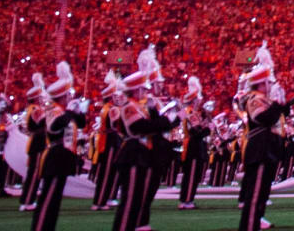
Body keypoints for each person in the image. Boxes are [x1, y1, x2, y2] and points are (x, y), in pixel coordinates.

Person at [111, 47, 177, 231]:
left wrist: (163, 120)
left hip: (142, 154)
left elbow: (155, 124)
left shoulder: (141, 105)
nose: (145, 92)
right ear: (137, 89)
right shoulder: (128, 106)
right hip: (132, 153)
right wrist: (164, 121)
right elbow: (139, 127)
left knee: (137, 199)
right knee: (130, 200)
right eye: (143, 89)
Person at [239, 42, 294, 231]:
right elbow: (263, 118)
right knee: (256, 193)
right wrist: (277, 106)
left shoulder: (264, 99)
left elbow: (276, 115)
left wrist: (283, 105)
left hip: (269, 148)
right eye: (267, 82)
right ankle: (249, 226)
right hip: (260, 148)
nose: (270, 84)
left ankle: (256, 221)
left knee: (263, 192)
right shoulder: (253, 99)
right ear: (260, 83)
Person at [31, 61, 87, 231]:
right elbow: (54, 127)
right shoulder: (51, 108)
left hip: (63, 157)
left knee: (54, 202)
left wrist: (79, 112)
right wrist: (70, 112)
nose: (69, 97)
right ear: (61, 95)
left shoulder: (63, 110)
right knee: (48, 200)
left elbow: (81, 124)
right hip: (54, 156)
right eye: (67, 94)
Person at [90, 72, 125, 211]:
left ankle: (106, 198)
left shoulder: (108, 108)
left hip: (110, 140)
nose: (118, 98)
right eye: (115, 96)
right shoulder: (112, 109)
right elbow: (118, 124)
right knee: (107, 173)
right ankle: (100, 201)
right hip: (111, 141)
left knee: (110, 172)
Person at [178, 77, 211, 209]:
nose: (200, 101)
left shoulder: (193, 113)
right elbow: (197, 133)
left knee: (193, 175)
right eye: (198, 99)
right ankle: (186, 200)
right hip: (193, 146)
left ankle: (187, 199)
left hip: (194, 145)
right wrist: (208, 128)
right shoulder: (190, 113)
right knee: (191, 175)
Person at [18, 72, 47, 211]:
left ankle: (27, 199)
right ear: (35, 98)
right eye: (40, 96)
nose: (42, 99)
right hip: (38, 143)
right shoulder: (36, 109)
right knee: (34, 174)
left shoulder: (31, 109)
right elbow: (43, 125)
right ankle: (28, 201)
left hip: (35, 142)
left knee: (34, 173)